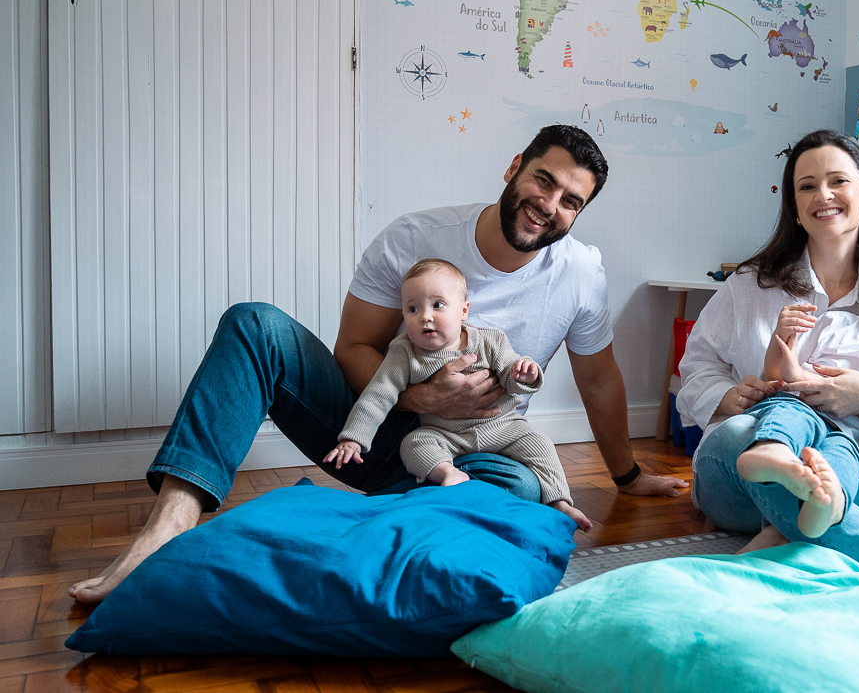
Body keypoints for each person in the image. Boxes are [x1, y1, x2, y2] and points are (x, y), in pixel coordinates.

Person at [69, 124, 686, 604]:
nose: (550, 204)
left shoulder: (581, 274)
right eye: (544, 181)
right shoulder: (415, 236)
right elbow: (352, 350)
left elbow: (598, 377)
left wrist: (629, 477)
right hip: (374, 432)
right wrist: (417, 400)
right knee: (253, 324)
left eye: (571, 201)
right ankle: (170, 525)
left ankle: (374, 533)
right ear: (513, 169)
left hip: (472, 454)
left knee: (524, 487)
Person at [678, 129, 859, 586]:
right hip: (740, 475)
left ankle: (786, 534)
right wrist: (729, 395)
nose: (824, 195)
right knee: (741, 432)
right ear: (795, 206)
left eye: (838, 181)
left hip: (838, 463)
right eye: (807, 185)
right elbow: (696, 366)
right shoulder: (750, 287)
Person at [325, 258, 591, 530]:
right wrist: (353, 439)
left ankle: (559, 502)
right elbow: (377, 396)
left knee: (540, 444)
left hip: (502, 427)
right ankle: (446, 473)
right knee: (414, 442)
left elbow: (512, 378)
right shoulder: (403, 352)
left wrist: (524, 375)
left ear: (463, 311)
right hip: (445, 435)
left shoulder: (491, 340)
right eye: (413, 309)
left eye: (438, 305)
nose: (425, 316)